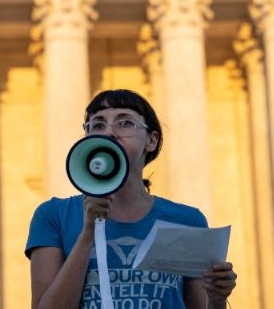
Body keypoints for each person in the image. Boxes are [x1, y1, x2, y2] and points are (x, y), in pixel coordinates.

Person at [26, 89, 237, 308]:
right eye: (98, 124)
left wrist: (217, 299)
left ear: (151, 141)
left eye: (125, 123)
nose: (109, 132)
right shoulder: (53, 216)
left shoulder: (187, 220)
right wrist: (88, 231)